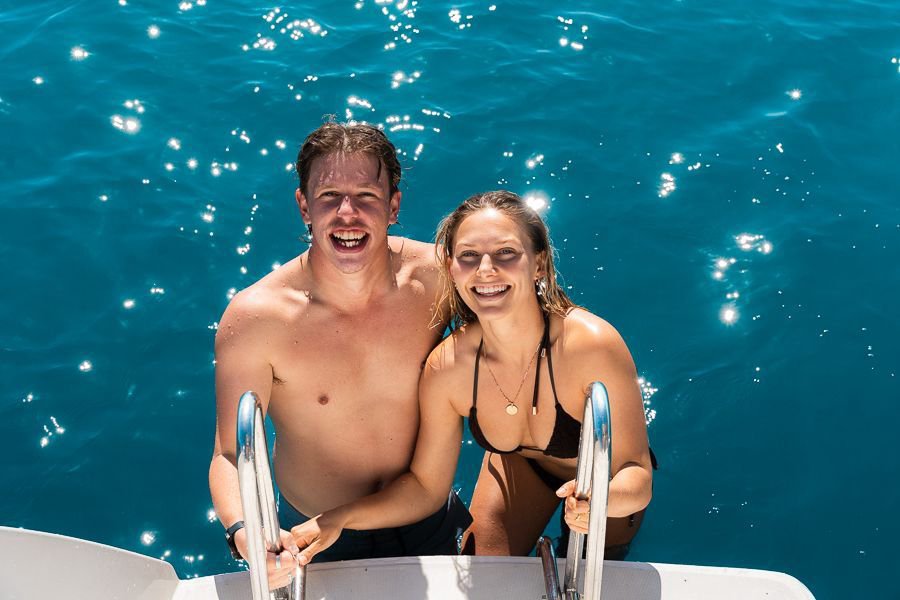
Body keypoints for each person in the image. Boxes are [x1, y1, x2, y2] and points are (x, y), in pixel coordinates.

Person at [291, 190, 654, 565]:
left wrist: (601, 499)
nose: (485, 270)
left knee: (595, 569)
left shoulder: (590, 346)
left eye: (506, 253)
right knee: (482, 573)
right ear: (451, 268)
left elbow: (636, 474)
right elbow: (426, 488)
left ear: (539, 263)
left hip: (602, 481)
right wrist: (337, 519)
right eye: (468, 256)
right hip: (518, 466)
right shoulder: (449, 368)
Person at [209, 122, 471, 589]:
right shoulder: (258, 318)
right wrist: (245, 532)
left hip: (426, 513)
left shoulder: (437, 280)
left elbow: (524, 342)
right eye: (329, 196)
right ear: (303, 206)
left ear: (393, 206)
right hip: (313, 531)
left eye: (366, 196)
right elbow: (230, 454)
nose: (347, 214)